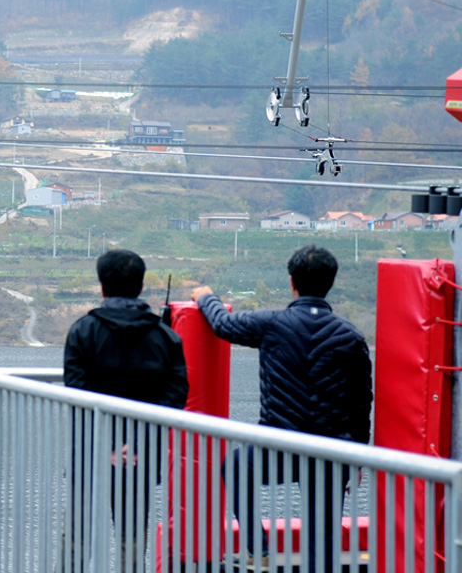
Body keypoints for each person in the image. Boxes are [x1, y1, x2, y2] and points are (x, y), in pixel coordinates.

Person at [191, 245, 372, 572]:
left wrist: (206, 297)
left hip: (279, 451)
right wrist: (355, 457)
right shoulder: (351, 337)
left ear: (292, 282)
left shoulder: (272, 324)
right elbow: (361, 404)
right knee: (325, 536)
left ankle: (258, 548)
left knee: (234, 466)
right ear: (331, 282)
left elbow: (222, 324)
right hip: (330, 454)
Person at [63, 248, 189, 573]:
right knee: (132, 539)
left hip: (89, 453)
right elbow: (175, 397)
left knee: (77, 536)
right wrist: (137, 443)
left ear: (102, 286)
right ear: (141, 285)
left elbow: (77, 393)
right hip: (140, 456)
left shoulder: (83, 331)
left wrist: (105, 446)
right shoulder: (166, 337)